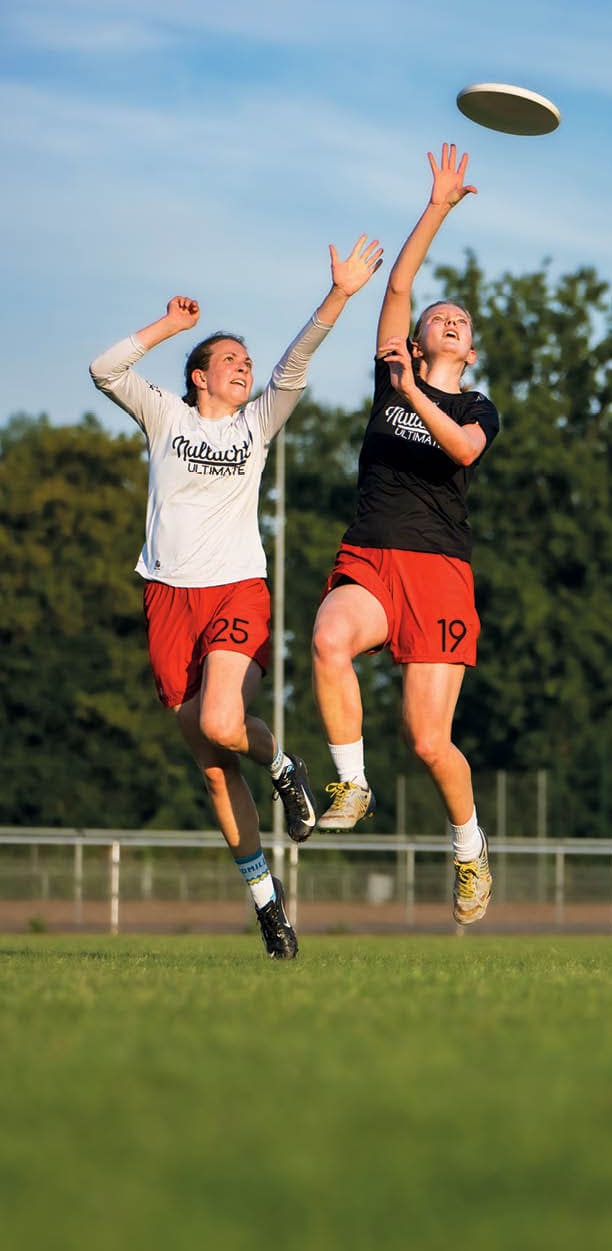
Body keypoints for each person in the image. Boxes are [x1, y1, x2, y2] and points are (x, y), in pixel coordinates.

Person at [89, 234, 383, 958]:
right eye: (227, 359)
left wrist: (341, 292)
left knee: (225, 720)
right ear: (196, 376)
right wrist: (169, 327)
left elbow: (295, 362)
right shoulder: (166, 416)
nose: (242, 366)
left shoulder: (256, 422)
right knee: (215, 767)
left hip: (235, 591)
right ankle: (267, 907)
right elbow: (104, 369)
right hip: (166, 598)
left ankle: (286, 768)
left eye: (243, 362)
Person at [311, 144, 500, 926]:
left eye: (461, 321)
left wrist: (412, 394)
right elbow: (397, 283)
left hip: (439, 572)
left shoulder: (475, 406)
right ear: (417, 341)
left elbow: (460, 450)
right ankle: (350, 781)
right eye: (438, 318)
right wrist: (439, 206)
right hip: (372, 554)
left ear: (469, 348)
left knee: (429, 741)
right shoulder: (395, 360)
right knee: (327, 639)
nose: (450, 319)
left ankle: (468, 847)